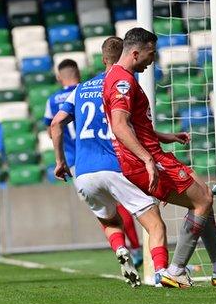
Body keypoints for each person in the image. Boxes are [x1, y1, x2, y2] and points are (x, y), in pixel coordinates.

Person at [103, 28, 216, 287]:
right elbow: (119, 125)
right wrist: (148, 160)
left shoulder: (119, 76)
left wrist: (166, 136)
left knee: (203, 196)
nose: (153, 60)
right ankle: (175, 270)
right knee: (203, 200)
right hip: (146, 159)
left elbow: (135, 125)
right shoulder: (123, 81)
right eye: (151, 54)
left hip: (151, 153)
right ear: (135, 52)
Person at [51, 36, 178, 288]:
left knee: (109, 219)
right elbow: (128, 127)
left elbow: (55, 124)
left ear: (102, 59)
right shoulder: (120, 84)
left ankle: (120, 249)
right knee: (155, 224)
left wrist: (60, 161)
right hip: (116, 164)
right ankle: (162, 272)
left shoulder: (80, 89)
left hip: (83, 172)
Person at [44, 58, 144, 269]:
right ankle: (135, 248)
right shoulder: (96, 86)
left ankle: (121, 247)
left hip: (78, 162)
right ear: (77, 73)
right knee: (122, 203)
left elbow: (53, 128)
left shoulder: (53, 100)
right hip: (109, 152)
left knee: (105, 210)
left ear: (59, 77)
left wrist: (59, 159)